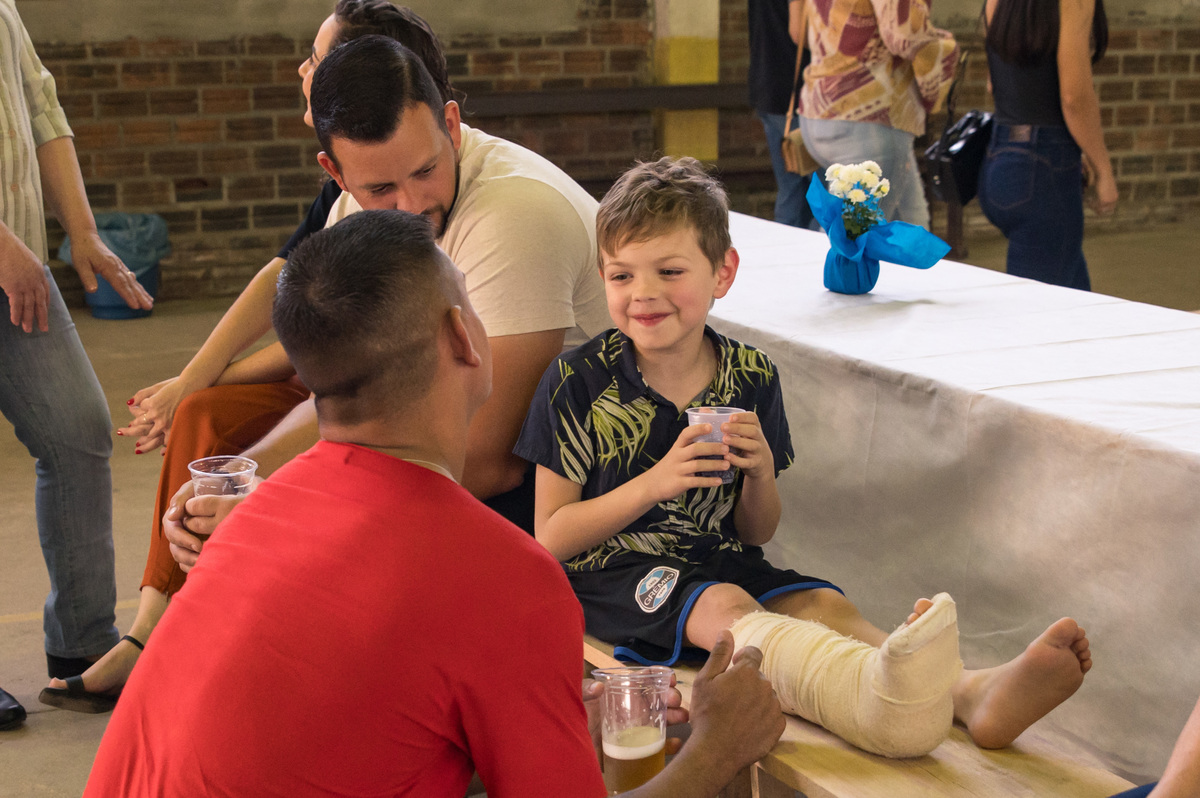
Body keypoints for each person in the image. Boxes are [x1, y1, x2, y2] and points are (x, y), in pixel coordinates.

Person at [83, 209, 784, 797]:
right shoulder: (506, 576)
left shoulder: (256, 515)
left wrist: (548, 716)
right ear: (462, 337)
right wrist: (717, 747)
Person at [515, 155, 1096, 758]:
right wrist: (655, 483)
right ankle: (875, 706)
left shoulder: (750, 374)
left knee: (823, 604)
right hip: (611, 578)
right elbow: (550, 537)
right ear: (603, 277)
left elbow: (756, 532)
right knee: (727, 608)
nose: (644, 293)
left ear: (722, 272)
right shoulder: (577, 380)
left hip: (718, 559)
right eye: (622, 276)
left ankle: (970, 692)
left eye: (669, 271)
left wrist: (761, 473)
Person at [42, 1, 460, 711]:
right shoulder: (348, 185)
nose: (303, 69)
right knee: (204, 414)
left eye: (319, 59)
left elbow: (331, 345)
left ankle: (201, 629)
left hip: (374, 384)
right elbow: (292, 293)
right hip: (336, 363)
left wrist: (201, 384)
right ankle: (152, 628)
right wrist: (193, 381)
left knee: (219, 422)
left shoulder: (407, 186)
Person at [161, 37, 608, 567]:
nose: (412, 206)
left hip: (574, 482)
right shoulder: (354, 211)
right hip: (439, 432)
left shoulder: (517, 213)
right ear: (336, 174)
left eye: (425, 171)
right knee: (219, 446)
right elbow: (342, 398)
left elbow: (490, 463)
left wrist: (278, 510)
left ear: (451, 124)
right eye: (380, 189)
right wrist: (245, 478)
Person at [0, 0, 154, 730]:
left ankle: (83, 643)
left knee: (78, 432)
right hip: (10, 259)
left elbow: (41, 109)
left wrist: (83, 232)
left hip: (18, 272)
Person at [977, 0, 1117, 290]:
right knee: (1039, 307)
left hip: (999, 161)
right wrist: (1103, 169)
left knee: (1075, 295)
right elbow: (1074, 98)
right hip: (1043, 174)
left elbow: (994, 85)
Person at [796, 0, 958, 228]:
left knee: (910, 222)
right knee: (854, 234)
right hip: (867, 118)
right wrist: (948, 47)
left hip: (822, 110)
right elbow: (904, 35)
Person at [748, 0, 815, 229]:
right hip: (797, 95)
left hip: (768, 87)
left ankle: (787, 248)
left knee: (792, 191)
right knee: (825, 193)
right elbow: (799, 34)